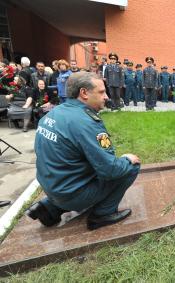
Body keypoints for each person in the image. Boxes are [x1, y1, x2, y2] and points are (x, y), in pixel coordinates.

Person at [27, 72, 141, 230]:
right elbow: (109, 170)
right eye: (101, 92)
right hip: (71, 194)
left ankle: (49, 207)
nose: (106, 96)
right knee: (131, 166)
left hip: (50, 186)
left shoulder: (54, 113)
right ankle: (103, 214)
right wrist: (126, 159)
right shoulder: (86, 122)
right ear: (84, 93)